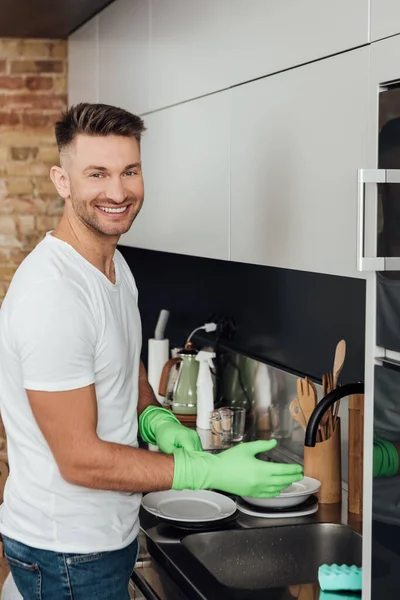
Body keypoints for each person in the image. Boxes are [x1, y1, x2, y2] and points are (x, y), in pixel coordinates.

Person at [0, 103, 302, 599]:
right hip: (67, 550)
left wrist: (152, 417)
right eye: (97, 174)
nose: (118, 192)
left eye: (130, 172)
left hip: (101, 535)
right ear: (62, 180)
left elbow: (122, 360)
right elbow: (79, 459)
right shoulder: (53, 294)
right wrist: (206, 470)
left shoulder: (114, 266)